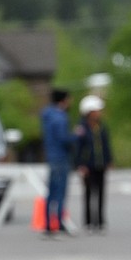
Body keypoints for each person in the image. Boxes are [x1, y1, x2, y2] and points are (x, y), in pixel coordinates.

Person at [73, 94, 113, 231]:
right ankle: (89, 222)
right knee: (89, 194)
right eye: (96, 111)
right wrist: (80, 164)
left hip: (100, 165)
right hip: (88, 166)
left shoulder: (102, 128)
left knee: (101, 193)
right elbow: (78, 148)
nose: (99, 113)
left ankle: (100, 221)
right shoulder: (82, 129)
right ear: (89, 112)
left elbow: (106, 145)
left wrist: (109, 160)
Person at [40, 88, 74, 235]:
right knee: (60, 192)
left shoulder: (47, 115)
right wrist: (77, 136)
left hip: (51, 156)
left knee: (51, 192)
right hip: (61, 157)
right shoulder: (60, 117)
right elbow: (63, 139)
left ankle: (48, 224)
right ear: (64, 100)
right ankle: (58, 224)